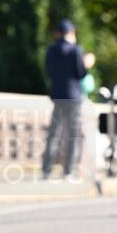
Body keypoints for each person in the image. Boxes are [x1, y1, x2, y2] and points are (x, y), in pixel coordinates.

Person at [42, 19, 92, 179]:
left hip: (57, 95)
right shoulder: (76, 50)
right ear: (72, 33)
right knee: (73, 135)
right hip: (73, 98)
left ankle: (47, 170)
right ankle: (69, 171)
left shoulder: (50, 50)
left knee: (54, 134)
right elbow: (80, 73)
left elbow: (49, 72)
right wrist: (87, 64)